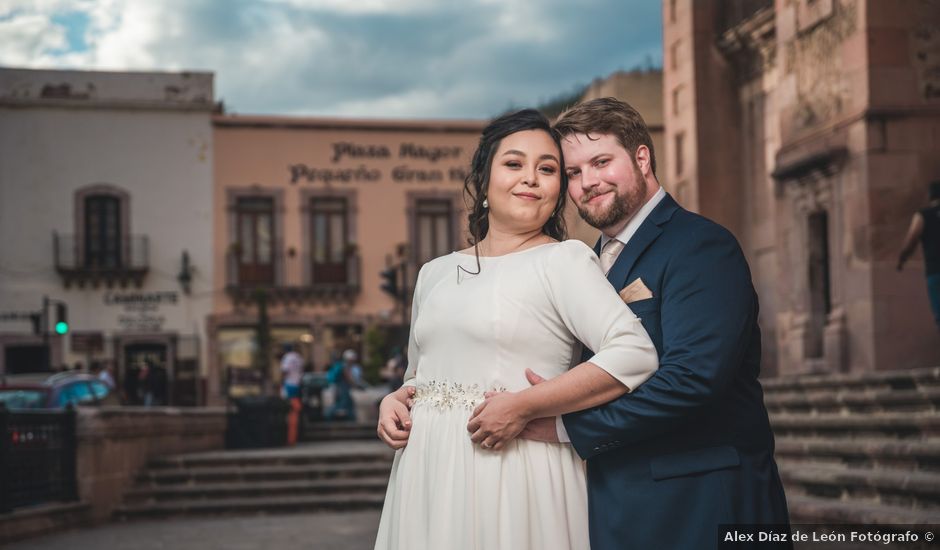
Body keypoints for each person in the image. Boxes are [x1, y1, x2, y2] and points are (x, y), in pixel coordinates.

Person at [374, 109, 658, 550]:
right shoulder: (434, 273)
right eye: (514, 164)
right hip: (427, 473)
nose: (531, 178)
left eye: (546, 169)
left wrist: (525, 405)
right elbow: (419, 373)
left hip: (514, 470)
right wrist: (395, 399)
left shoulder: (563, 261)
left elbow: (634, 353)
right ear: (483, 179)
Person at [898, 180, 940, 329]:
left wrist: (902, 258)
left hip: (935, 271)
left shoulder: (923, 215)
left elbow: (911, 240)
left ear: (930, 196)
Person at [326, 349, 361, 420]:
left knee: (346, 404)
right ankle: (329, 416)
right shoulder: (344, 366)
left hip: (339, 388)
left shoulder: (342, 366)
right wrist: (356, 385)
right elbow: (349, 378)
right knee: (342, 406)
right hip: (342, 389)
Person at [280, 343, 304, 445]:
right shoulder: (299, 357)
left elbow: (285, 371)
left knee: (290, 412)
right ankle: (294, 437)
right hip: (297, 384)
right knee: (295, 411)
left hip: (289, 384)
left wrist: (281, 382)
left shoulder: (287, 357)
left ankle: (290, 439)